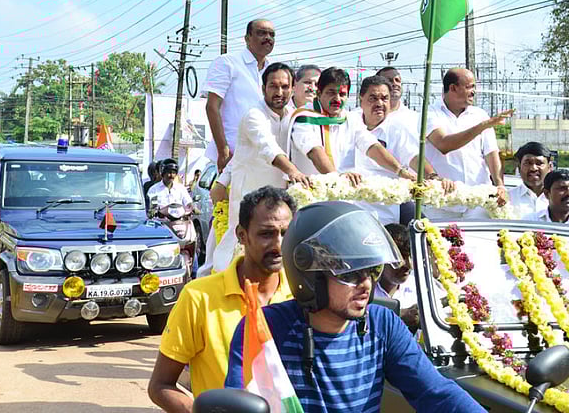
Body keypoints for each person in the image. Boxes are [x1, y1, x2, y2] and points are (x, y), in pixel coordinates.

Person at [224, 201, 485, 413]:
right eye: (349, 274)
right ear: (310, 275)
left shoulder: (382, 325)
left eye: (372, 270)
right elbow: (239, 401)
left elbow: (435, 393)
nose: (365, 284)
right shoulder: (267, 329)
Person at [148, 187, 297, 411]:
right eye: (266, 234)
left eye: (286, 233)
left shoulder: (301, 296)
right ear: (241, 235)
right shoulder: (199, 298)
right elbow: (160, 386)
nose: (278, 245)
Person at [204, 62, 312, 274]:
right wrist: (293, 171)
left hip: (278, 198)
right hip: (249, 196)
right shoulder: (254, 115)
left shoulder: (293, 115)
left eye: (284, 86)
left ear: (292, 89)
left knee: (273, 248)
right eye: (273, 86)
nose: (279, 92)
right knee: (239, 245)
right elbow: (267, 147)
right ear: (263, 89)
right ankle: (222, 290)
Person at [350, 75, 453, 225]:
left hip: (385, 212)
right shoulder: (350, 122)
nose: (379, 103)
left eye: (384, 98)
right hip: (350, 209)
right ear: (361, 99)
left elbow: (414, 158)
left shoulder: (397, 128)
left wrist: (433, 176)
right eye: (373, 98)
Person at [289, 67, 417, 184]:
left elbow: (372, 146)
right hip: (311, 194)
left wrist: (400, 171)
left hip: (343, 193)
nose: (337, 99)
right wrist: (337, 178)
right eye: (331, 92)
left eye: (342, 94)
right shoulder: (304, 117)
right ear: (319, 92)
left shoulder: (349, 118)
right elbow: (315, 151)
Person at [424, 68, 512, 220]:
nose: (473, 92)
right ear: (452, 88)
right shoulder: (430, 113)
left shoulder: (479, 115)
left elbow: (491, 154)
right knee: (440, 243)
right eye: (469, 87)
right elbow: (444, 144)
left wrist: (500, 184)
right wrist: (482, 126)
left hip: (478, 202)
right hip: (442, 203)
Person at [203, 18, 275, 173]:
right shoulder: (227, 63)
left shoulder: (273, 71)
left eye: (271, 34)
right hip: (232, 158)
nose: (268, 38)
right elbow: (212, 107)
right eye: (262, 33)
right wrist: (223, 150)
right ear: (247, 38)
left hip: (264, 159)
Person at [375, 223, 419, 332]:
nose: (409, 266)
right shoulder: (363, 291)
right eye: (400, 258)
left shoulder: (420, 288)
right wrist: (399, 314)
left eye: (410, 257)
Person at [376, 66, 419, 130]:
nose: (395, 83)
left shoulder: (414, 119)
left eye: (397, 80)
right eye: (389, 80)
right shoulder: (361, 117)